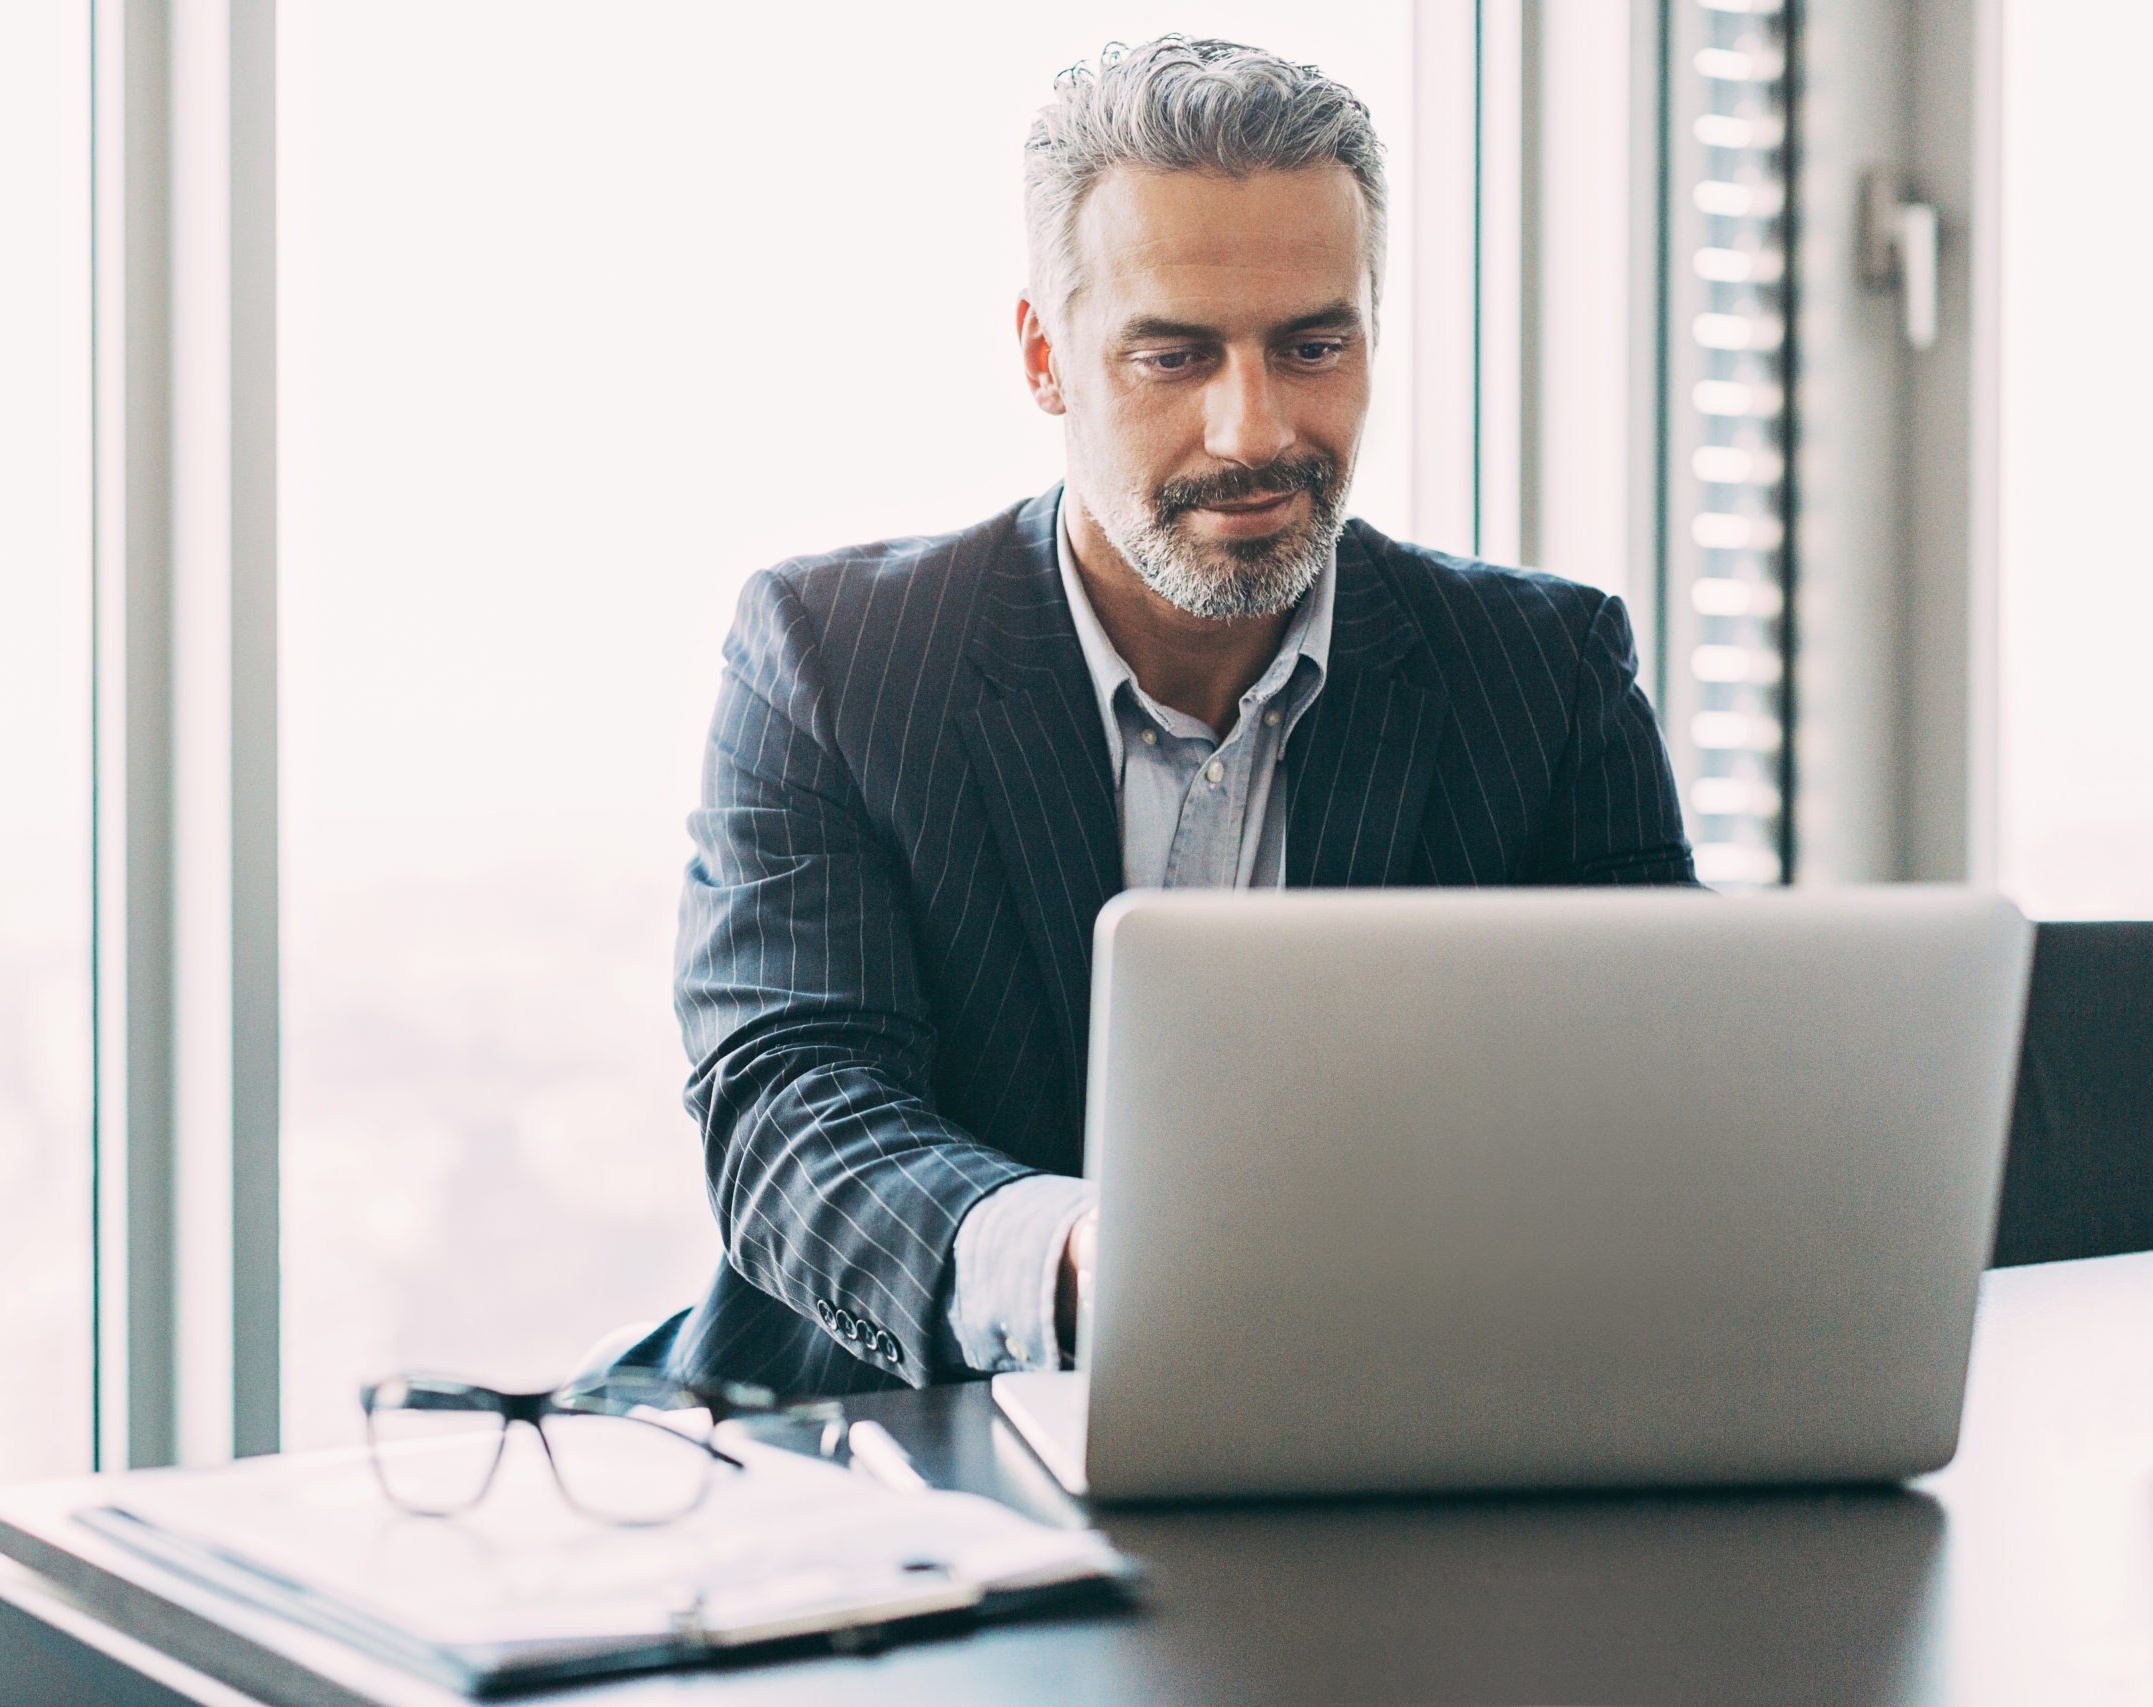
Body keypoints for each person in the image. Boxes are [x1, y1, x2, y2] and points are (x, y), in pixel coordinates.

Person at [660, 38, 1694, 1398]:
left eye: (1313, 345)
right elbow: (792, 1112)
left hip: (1403, 1444)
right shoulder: (836, 658)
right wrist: (1085, 1262)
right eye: (1176, 355)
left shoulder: (1547, 672)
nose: (1253, 430)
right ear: (1046, 356)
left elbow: (1665, 1106)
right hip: (908, 1458)